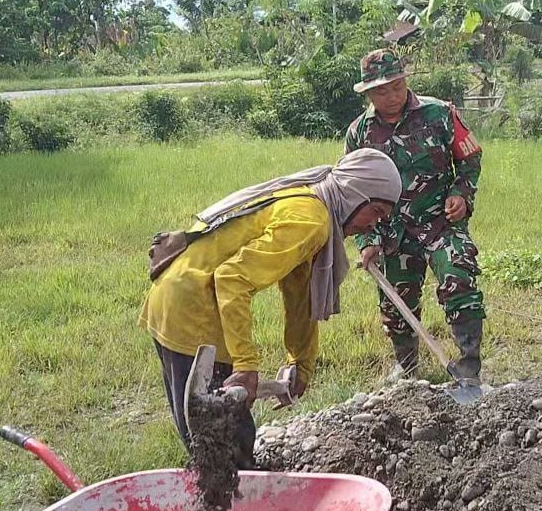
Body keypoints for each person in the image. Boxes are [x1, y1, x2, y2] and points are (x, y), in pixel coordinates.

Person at [139, 149, 402, 465]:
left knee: (228, 443)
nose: (373, 224)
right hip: (191, 309)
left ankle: (230, 504)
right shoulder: (311, 220)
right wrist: (245, 366)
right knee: (219, 448)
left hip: (179, 295)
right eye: (375, 211)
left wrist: (301, 363)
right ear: (354, 195)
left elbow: (298, 294)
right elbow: (231, 278)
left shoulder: (311, 205)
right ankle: (225, 509)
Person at [345, 49, 486, 387]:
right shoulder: (359, 134)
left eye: (396, 86)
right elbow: (353, 190)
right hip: (392, 232)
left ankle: (468, 368)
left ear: (405, 80)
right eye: (381, 91)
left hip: (440, 223)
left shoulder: (439, 114)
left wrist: (461, 195)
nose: (391, 97)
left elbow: (470, 159)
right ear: (367, 92)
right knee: (396, 303)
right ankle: (406, 366)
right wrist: (366, 241)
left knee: (459, 279)